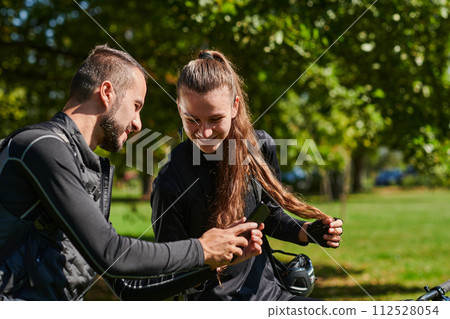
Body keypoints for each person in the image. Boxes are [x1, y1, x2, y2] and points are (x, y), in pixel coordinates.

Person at [0, 45, 264, 301]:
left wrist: (213, 262)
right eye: (136, 105)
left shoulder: (80, 167)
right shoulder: (40, 147)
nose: (138, 123)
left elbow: (129, 289)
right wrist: (202, 249)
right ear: (107, 92)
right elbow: (111, 252)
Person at [151, 50, 344, 301]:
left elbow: (270, 216)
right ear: (179, 108)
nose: (205, 132)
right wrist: (212, 262)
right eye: (193, 119)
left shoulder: (260, 147)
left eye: (215, 119)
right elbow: (168, 271)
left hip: (271, 294)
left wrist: (308, 231)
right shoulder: (170, 180)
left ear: (234, 106)